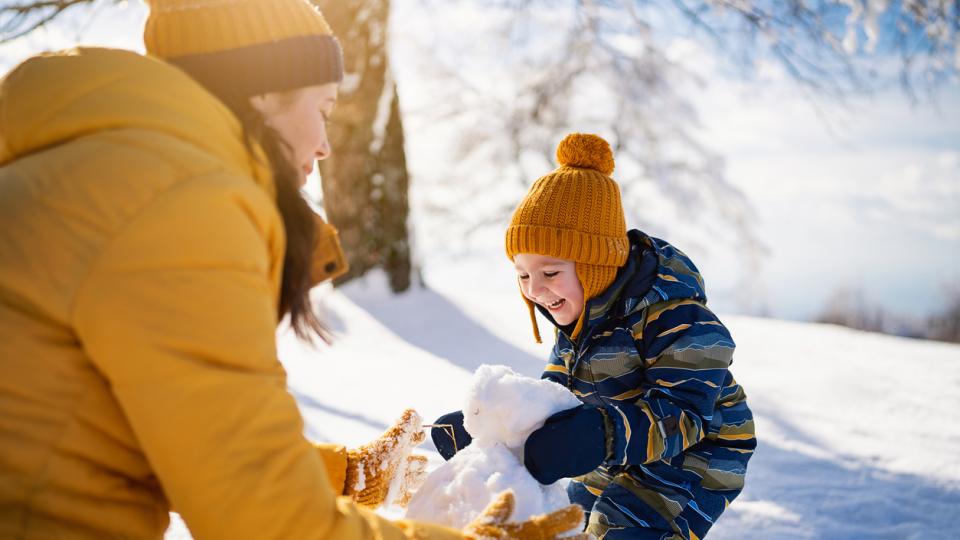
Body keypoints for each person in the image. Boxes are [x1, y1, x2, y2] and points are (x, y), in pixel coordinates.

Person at [0, 1, 587, 538]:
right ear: (260, 93)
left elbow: (183, 444)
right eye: (323, 108)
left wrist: (345, 474)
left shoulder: (100, 179)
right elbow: (266, 519)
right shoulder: (173, 204)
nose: (325, 144)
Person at [432, 133, 756, 539]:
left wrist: (598, 436)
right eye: (523, 275)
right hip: (617, 449)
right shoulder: (578, 322)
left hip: (695, 452)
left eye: (550, 273)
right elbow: (555, 397)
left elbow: (684, 414)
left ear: (597, 265)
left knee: (623, 524)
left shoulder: (673, 316)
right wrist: (499, 433)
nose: (535, 289)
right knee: (568, 524)